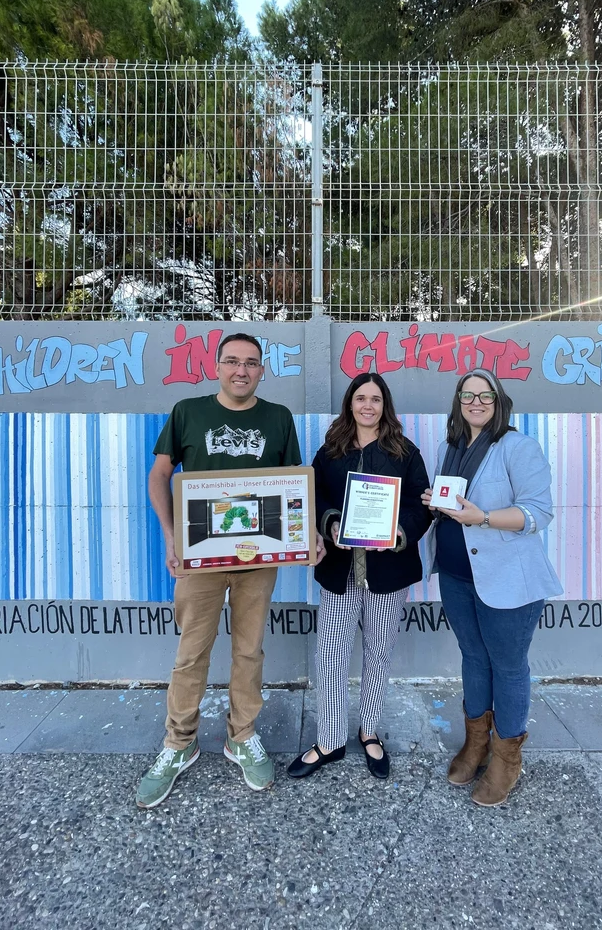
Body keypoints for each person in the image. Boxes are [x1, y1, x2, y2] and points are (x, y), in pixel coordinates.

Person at [137, 332, 323, 808]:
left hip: (256, 561)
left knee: (249, 649)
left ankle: (242, 735)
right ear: (216, 366)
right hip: (199, 558)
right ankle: (179, 743)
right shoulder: (188, 411)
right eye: (232, 361)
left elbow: (291, 487)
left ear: (263, 370)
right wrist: (169, 533)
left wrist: (307, 536)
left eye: (251, 363)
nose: (242, 370)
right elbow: (161, 474)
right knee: (191, 651)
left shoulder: (278, 418)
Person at [422, 367, 562, 807]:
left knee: (508, 666)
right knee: (474, 658)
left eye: (485, 395)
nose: (476, 402)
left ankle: (506, 759)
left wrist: (481, 517)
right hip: (457, 576)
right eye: (468, 395)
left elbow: (539, 512)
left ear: (499, 401)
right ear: (458, 402)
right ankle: (476, 744)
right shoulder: (452, 447)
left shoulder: (518, 447)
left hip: (508, 580)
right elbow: (455, 507)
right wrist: (435, 504)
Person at [288, 373, 431, 781]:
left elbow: (421, 506)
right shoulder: (330, 451)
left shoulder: (405, 452)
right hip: (340, 567)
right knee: (331, 654)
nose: (368, 406)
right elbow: (313, 497)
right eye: (360, 398)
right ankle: (330, 739)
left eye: (376, 399)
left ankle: (369, 731)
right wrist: (330, 522)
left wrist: (400, 533)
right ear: (350, 403)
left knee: (378, 652)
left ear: (385, 405)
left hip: (388, 570)